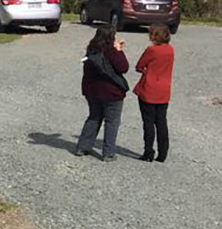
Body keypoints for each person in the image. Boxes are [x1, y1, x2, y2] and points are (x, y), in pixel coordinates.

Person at [75, 26, 130, 161]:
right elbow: (123, 67)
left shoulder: (91, 48)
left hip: (92, 91)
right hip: (112, 93)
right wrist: (119, 51)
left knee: (94, 117)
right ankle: (108, 153)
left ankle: (83, 147)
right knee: (111, 121)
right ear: (111, 37)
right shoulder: (111, 50)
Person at [135, 24, 175, 162]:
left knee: (148, 122)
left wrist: (145, 69)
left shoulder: (151, 50)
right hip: (164, 89)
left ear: (154, 36)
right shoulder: (170, 50)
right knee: (161, 122)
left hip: (149, 88)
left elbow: (139, 66)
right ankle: (163, 152)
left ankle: (148, 151)